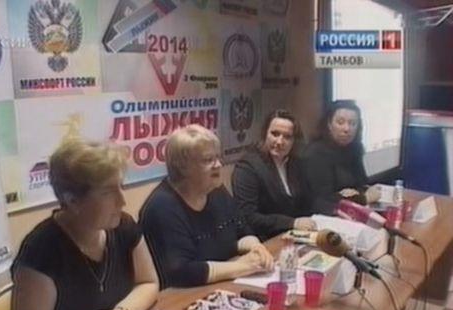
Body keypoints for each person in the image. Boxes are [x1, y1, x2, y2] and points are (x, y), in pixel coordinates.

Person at [0, 138, 159, 310]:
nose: (122, 201)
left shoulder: (124, 226)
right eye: (107, 192)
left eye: (120, 186)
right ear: (72, 201)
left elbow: (148, 282)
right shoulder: (41, 250)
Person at [139, 124, 274, 289]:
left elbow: (242, 232)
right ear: (183, 167)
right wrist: (242, 266)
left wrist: (256, 248)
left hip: (221, 285)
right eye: (208, 160)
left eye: (217, 157)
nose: (218, 165)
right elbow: (181, 272)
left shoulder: (216, 190)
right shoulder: (161, 207)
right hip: (181, 295)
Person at [232, 109, 317, 238]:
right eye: (275, 134)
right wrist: (292, 222)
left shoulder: (296, 163)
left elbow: (307, 203)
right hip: (263, 239)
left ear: (294, 141)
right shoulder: (247, 167)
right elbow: (248, 216)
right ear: (265, 134)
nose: (279, 141)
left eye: (287, 137)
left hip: (295, 236)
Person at [302, 100, 381, 213]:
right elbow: (322, 200)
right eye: (340, 122)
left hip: (351, 212)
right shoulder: (315, 153)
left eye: (353, 123)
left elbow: (362, 183)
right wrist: (363, 198)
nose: (347, 129)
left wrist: (354, 194)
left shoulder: (355, 148)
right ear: (329, 124)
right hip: (324, 216)